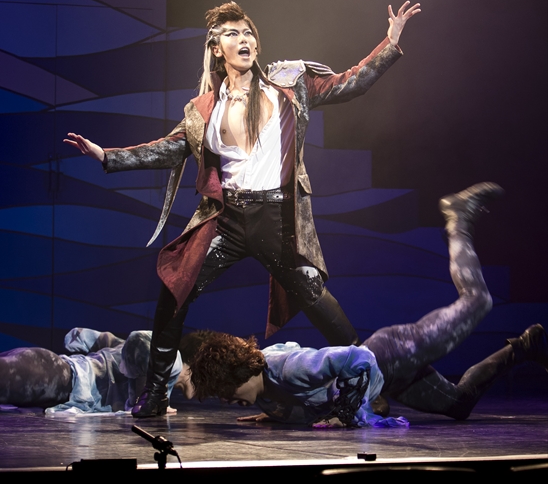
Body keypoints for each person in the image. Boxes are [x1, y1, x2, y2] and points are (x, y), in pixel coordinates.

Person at [64, 0, 421, 417]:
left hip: (276, 219)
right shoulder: (203, 110)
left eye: (248, 32)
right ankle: (157, 393)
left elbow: (349, 83)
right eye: (233, 34)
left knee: (314, 296)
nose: (244, 39)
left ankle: (370, 387)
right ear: (217, 49)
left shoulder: (288, 85)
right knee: (174, 292)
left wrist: (389, 43)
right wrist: (107, 156)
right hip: (227, 221)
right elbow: (168, 149)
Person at [189, 183, 548, 427]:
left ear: (241, 372)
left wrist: (347, 411)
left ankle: (459, 219)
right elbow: (308, 390)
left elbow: (356, 357)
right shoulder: (267, 390)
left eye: (226, 391)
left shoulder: (287, 368)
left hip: (393, 353)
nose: (227, 401)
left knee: (478, 300)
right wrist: (280, 412)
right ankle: (524, 347)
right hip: (388, 376)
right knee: (459, 404)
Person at [0, 329, 214, 414]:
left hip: (49, 373)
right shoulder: (172, 360)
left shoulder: (161, 373)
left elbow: (94, 338)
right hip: (57, 377)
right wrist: (144, 399)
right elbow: (139, 341)